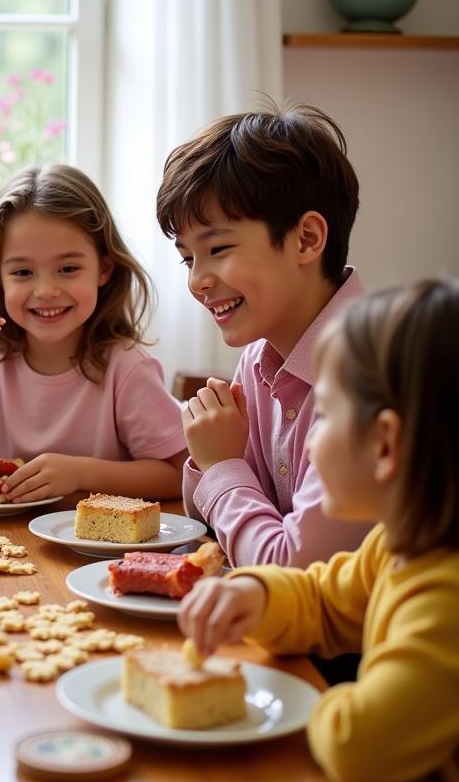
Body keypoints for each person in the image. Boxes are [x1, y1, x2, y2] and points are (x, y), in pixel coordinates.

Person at [178, 279, 459, 782]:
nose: (307, 441)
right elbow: (325, 602)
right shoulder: (396, 546)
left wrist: (288, 704)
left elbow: (361, 747)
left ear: (384, 446)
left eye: (325, 416)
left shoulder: (445, 598)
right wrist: (256, 596)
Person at [156, 102, 372, 568]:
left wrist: (220, 467)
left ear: (307, 239)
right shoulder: (260, 356)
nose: (197, 281)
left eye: (218, 249)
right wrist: (214, 461)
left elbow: (290, 569)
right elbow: (219, 527)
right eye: (188, 259)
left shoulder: (370, 376)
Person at [0, 163, 186, 503]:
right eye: (23, 272)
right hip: (13, 544)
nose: (46, 290)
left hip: (102, 546)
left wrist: (79, 474)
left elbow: (178, 475)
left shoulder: (126, 366)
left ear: (103, 269)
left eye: (68, 269)